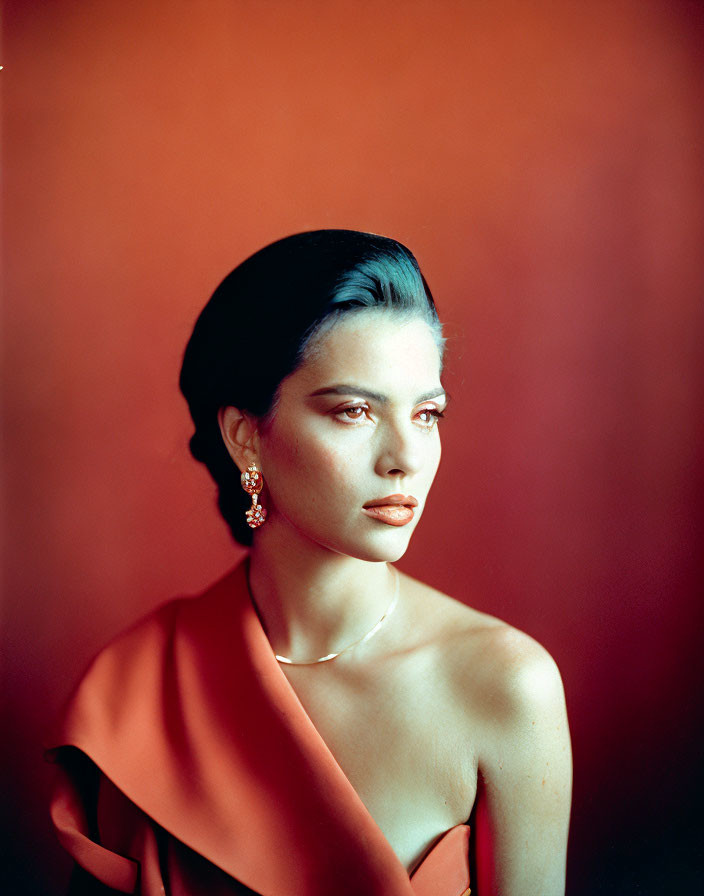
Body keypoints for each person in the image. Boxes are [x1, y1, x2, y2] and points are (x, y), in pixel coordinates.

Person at [46, 230, 572, 896]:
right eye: (354, 410)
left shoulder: (506, 687)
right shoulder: (136, 693)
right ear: (245, 437)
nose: (405, 456)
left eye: (427, 413)